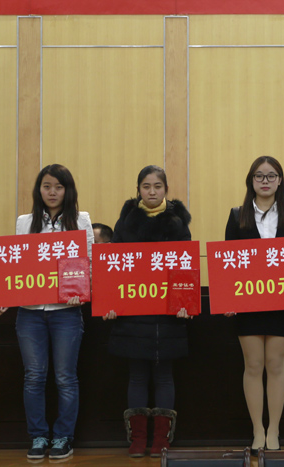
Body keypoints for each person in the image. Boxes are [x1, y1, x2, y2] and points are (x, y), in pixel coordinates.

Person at [0, 164, 93, 460]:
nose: (52, 192)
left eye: (59, 187)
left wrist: (80, 291)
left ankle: (63, 437)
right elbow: (16, 267)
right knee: (34, 377)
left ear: (68, 190)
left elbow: (88, 265)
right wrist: (3, 297)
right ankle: (38, 436)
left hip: (66, 312)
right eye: (47, 186)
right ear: (39, 189)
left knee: (65, 378)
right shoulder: (25, 222)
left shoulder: (81, 220)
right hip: (30, 312)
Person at [224, 156, 284, 454]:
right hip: (247, 301)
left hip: (280, 302)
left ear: (280, 180)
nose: (265, 181)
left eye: (271, 176)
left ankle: (274, 428)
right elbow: (228, 262)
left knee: (275, 364)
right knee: (253, 365)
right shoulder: (237, 215)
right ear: (251, 181)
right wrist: (228, 298)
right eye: (259, 176)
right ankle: (257, 430)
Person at [103, 165, 192, 458]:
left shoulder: (179, 223)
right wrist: (109, 303)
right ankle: (138, 438)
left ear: (166, 189)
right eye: (146, 186)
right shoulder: (125, 223)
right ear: (138, 189)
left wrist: (185, 303)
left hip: (168, 314)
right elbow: (113, 268)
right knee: (137, 376)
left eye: (157, 186)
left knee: (165, 375)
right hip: (133, 313)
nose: (152, 192)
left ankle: (162, 439)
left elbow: (185, 267)